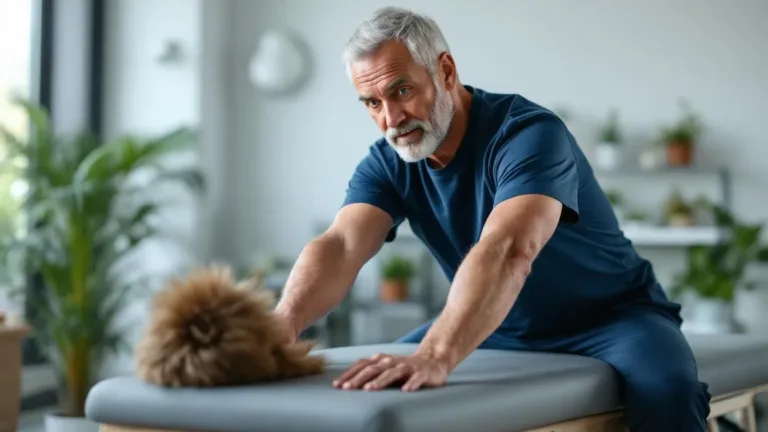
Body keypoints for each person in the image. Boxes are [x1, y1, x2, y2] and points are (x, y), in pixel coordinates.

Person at [273, 6, 711, 432]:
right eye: (372, 102)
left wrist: (437, 354)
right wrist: (284, 323)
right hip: (497, 325)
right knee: (363, 396)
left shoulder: (528, 135)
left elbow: (509, 250)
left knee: (670, 391)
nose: (391, 120)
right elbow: (342, 246)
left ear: (445, 71)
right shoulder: (389, 163)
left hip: (612, 320)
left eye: (401, 90)